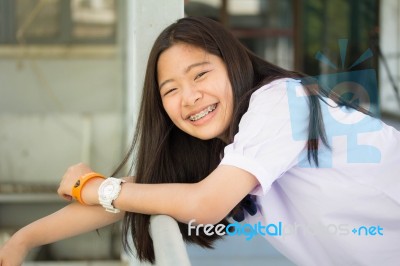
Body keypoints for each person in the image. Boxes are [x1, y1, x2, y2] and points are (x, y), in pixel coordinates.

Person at [1, 16, 400, 266]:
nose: (189, 97)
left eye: (200, 74)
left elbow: (202, 206)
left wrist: (96, 186)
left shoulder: (282, 100)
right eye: (170, 89)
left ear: (235, 65)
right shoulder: (223, 149)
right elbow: (132, 198)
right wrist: (22, 241)